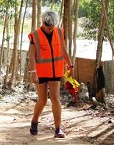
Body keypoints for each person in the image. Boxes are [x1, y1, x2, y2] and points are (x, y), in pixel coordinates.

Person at [28, 10, 74, 138]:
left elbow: (63, 50)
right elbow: (32, 56)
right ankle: (34, 121)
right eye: (47, 27)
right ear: (42, 22)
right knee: (42, 100)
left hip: (56, 71)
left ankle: (58, 128)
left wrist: (70, 65)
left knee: (55, 98)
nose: (49, 30)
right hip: (41, 72)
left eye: (51, 27)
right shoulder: (35, 35)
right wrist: (33, 73)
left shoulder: (59, 32)